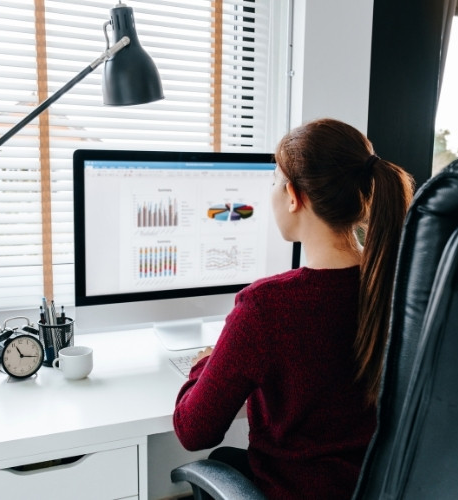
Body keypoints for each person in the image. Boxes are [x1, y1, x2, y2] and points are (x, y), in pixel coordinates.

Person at [173, 118, 415, 499]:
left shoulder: (267, 307)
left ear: (292, 195)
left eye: (273, 180)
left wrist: (205, 363)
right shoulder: (401, 285)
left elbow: (193, 430)